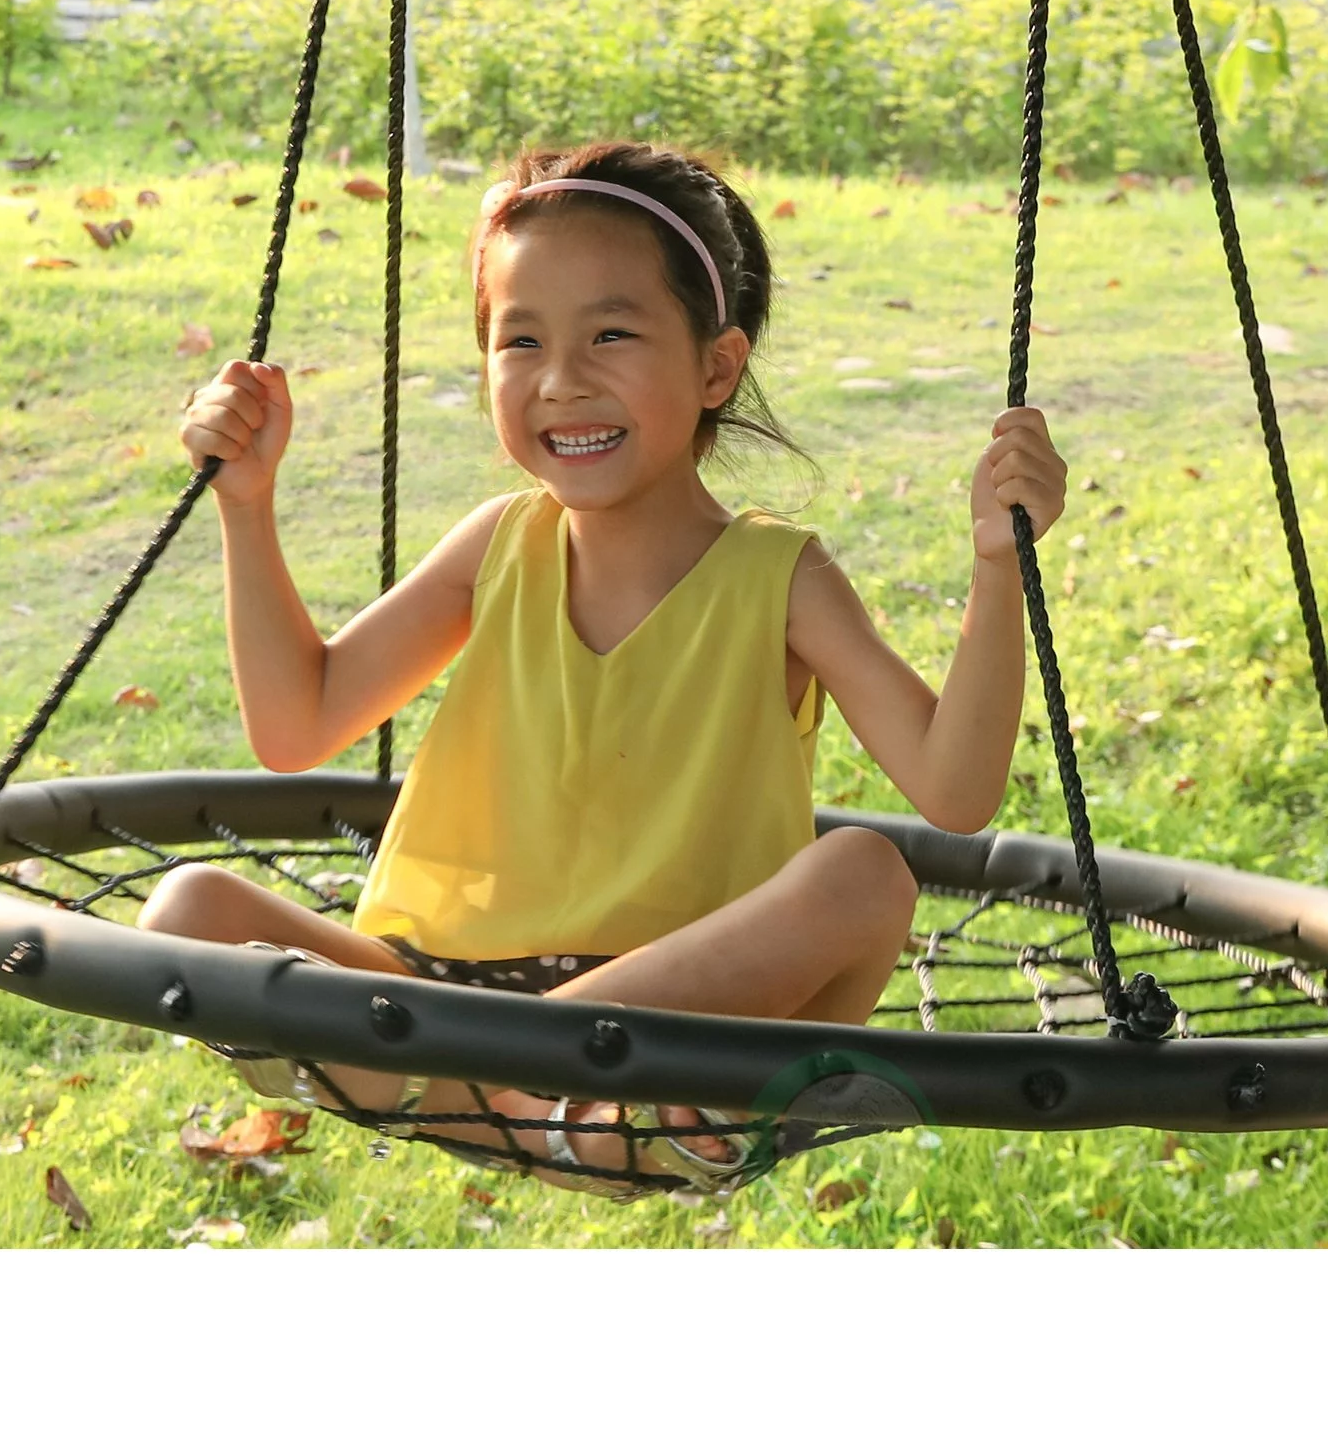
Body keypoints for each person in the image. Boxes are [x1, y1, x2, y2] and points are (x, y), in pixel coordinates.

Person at [138, 136, 1068, 1188]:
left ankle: (556, 1096)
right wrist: (247, 509)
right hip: (440, 1004)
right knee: (188, 912)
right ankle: (524, 1101)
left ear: (717, 365)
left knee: (866, 873)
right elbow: (295, 724)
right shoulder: (499, 546)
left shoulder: (777, 578)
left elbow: (954, 791)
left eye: (612, 334)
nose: (562, 383)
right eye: (519, 341)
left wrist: (1000, 567)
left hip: (673, 1037)